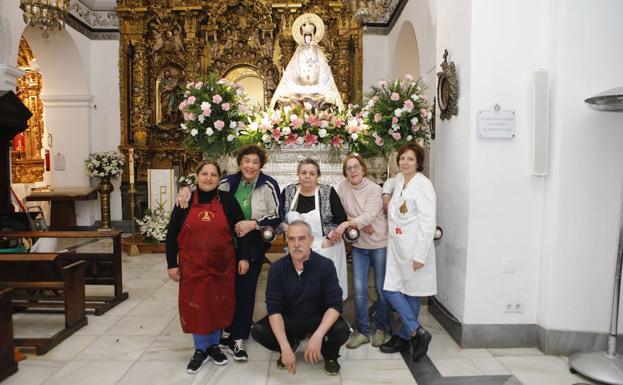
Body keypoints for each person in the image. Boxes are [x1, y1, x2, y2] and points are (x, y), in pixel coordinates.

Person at [177, 144, 281, 362]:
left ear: (261, 165)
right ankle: (224, 327)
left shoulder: (268, 184)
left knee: (244, 290)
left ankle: (238, 336)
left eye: (255, 162)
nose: (250, 166)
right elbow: (206, 189)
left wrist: (254, 223)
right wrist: (186, 189)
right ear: (239, 163)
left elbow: (277, 216)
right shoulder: (227, 182)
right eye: (246, 161)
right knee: (223, 288)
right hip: (223, 245)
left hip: (251, 243)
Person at [165, 160, 250, 374]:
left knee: (217, 304)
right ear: (197, 176)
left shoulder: (228, 201)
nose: (209, 178)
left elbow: (241, 231)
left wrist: (243, 258)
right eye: (204, 173)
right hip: (192, 265)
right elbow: (171, 236)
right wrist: (171, 264)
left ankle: (213, 346)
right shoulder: (184, 203)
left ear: (219, 178)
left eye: (213, 174)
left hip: (222, 265)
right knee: (196, 305)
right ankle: (200, 349)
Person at [251, 220, 351, 375]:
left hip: (317, 318)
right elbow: (274, 309)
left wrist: (318, 336)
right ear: (287, 241)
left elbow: (335, 304)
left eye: (302, 238)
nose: (296, 244)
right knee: (258, 331)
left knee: (342, 329)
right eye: (291, 239)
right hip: (290, 319)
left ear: (311, 240)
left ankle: (329, 355)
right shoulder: (277, 269)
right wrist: (284, 347)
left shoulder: (325, 265)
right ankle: (291, 346)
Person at [379, 143, 437, 362]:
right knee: (394, 288)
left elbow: (428, 222)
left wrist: (420, 255)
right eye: (402, 158)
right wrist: (386, 194)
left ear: (418, 162)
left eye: (410, 159)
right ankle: (415, 332)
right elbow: (389, 182)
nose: (405, 162)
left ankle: (408, 334)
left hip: (414, 249)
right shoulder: (400, 180)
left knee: (407, 292)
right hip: (396, 247)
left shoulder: (424, 185)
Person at [334, 154, 391, 349]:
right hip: (359, 246)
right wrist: (359, 224)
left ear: (364, 169)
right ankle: (364, 332)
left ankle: (382, 329)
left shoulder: (375, 189)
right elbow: (340, 212)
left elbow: (370, 214)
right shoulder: (343, 187)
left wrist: (356, 223)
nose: (353, 171)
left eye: (356, 167)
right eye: (348, 168)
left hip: (379, 244)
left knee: (382, 289)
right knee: (359, 291)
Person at [280, 158, 348, 299]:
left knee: (325, 292)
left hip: (326, 247)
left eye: (312, 173)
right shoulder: (288, 192)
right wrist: (285, 227)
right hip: (297, 248)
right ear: (298, 174)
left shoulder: (327, 192)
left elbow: (341, 219)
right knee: (299, 293)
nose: (307, 176)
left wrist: (330, 237)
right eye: (303, 172)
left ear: (318, 176)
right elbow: (278, 218)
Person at [270, 13, 344, 110]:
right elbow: (293, 70)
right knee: (287, 99)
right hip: (299, 86)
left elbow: (324, 71)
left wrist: (315, 72)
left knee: (326, 99)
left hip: (317, 86)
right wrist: (297, 75)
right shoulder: (299, 52)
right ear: (303, 37)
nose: (308, 39)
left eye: (310, 36)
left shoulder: (317, 52)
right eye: (306, 36)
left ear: (313, 36)